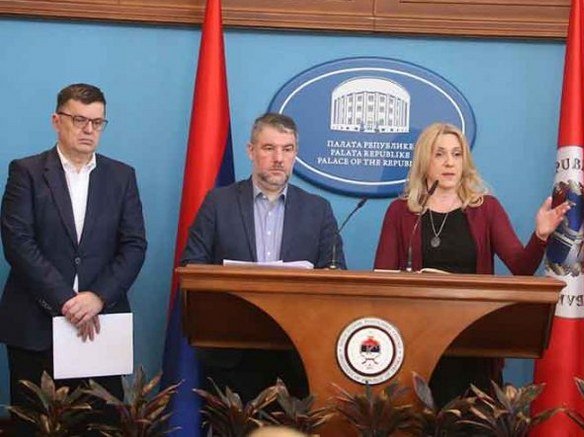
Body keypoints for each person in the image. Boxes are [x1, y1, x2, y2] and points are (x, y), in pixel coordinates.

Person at [373, 122, 569, 406]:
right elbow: (381, 279)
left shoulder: (486, 209)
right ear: (425, 160)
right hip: (419, 340)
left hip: (474, 338)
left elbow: (521, 267)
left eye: (457, 154)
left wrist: (540, 235)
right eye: (439, 154)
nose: (449, 162)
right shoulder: (400, 212)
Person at [0, 83, 147, 433]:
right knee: (34, 427)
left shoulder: (121, 176)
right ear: (57, 121)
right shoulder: (26, 172)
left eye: (97, 122)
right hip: (36, 327)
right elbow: (18, 242)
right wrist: (66, 300)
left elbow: (134, 245)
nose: (88, 130)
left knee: (99, 426)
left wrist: (98, 297)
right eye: (79, 120)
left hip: (99, 325)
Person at [182, 112, 344, 402]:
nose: (278, 158)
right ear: (251, 151)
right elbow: (191, 267)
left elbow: (337, 276)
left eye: (287, 149)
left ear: (295, 153)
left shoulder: (318, 209)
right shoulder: (218, 203)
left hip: (297, 354)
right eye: (269, 148)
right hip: (231, 354)